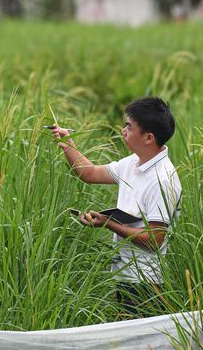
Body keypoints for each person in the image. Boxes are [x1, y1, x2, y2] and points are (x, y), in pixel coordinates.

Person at [51, 96, 181, 315]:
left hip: (146, 283)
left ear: (149, 137)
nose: (123, 130)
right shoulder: (132, 163)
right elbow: (89, 173)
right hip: (123, 274)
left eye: (129, 127)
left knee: (139, 346)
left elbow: (154, 240)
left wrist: (108, 223)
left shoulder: (163, 179)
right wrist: (67, 143)